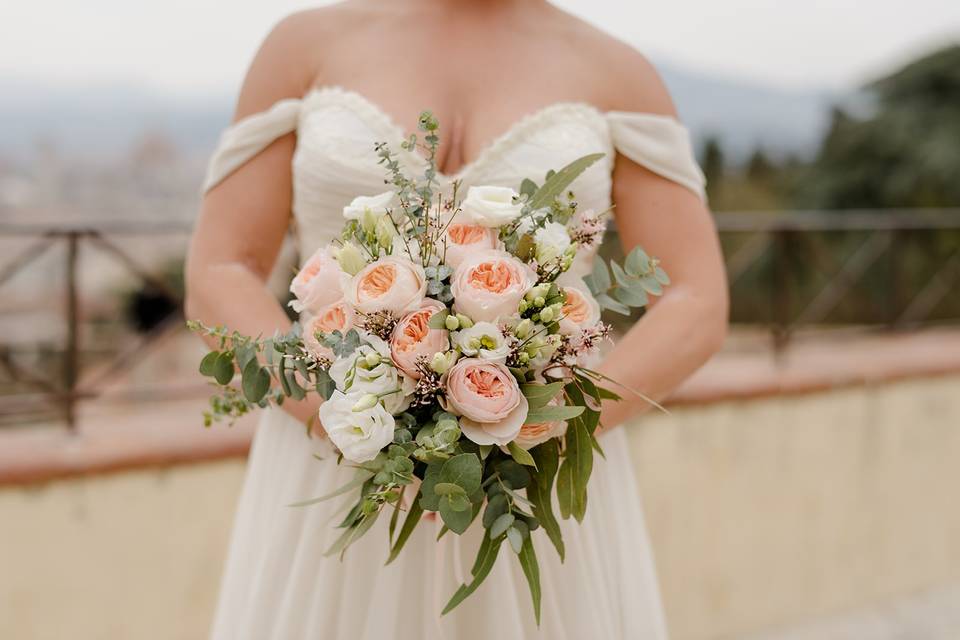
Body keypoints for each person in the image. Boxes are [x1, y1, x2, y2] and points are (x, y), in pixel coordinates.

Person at [185, 1, 728, 638]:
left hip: (531, 476)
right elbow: (221, 269)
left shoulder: (615, 70)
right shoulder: (304, 45)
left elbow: (695, 295)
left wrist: (543, 429)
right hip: (330, 457)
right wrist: (348, 420)